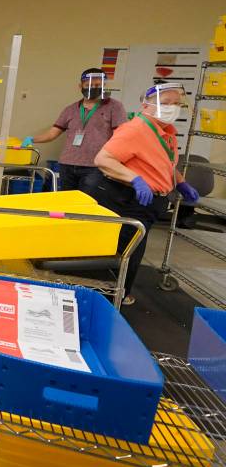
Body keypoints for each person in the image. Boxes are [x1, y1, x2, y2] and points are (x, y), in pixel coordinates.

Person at [93, 82, 199, 305]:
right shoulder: (136, 129)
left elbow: (164, 164)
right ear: (145, 106)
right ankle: (111, 299)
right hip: (129, 198)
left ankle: (118, 293)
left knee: (133, 250)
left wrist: (181, 183)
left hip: (149, 202)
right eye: (165, 103)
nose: (172, 108)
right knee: (126, 251)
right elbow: (103, 159)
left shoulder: (166, 132)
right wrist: (136, 179)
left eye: (176, 103)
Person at [23, 69, 127, 195]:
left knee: (88, 202)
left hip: (95, 166)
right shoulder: (70, 109)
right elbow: (52, 134)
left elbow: (121, 136)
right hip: (68, 164)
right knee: (68, 201)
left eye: (98, 85)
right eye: (88, 85)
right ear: (80, 86)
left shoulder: (114, 107)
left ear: (104, 85)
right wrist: (32, 140)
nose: (93, 88)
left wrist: (116, 160)